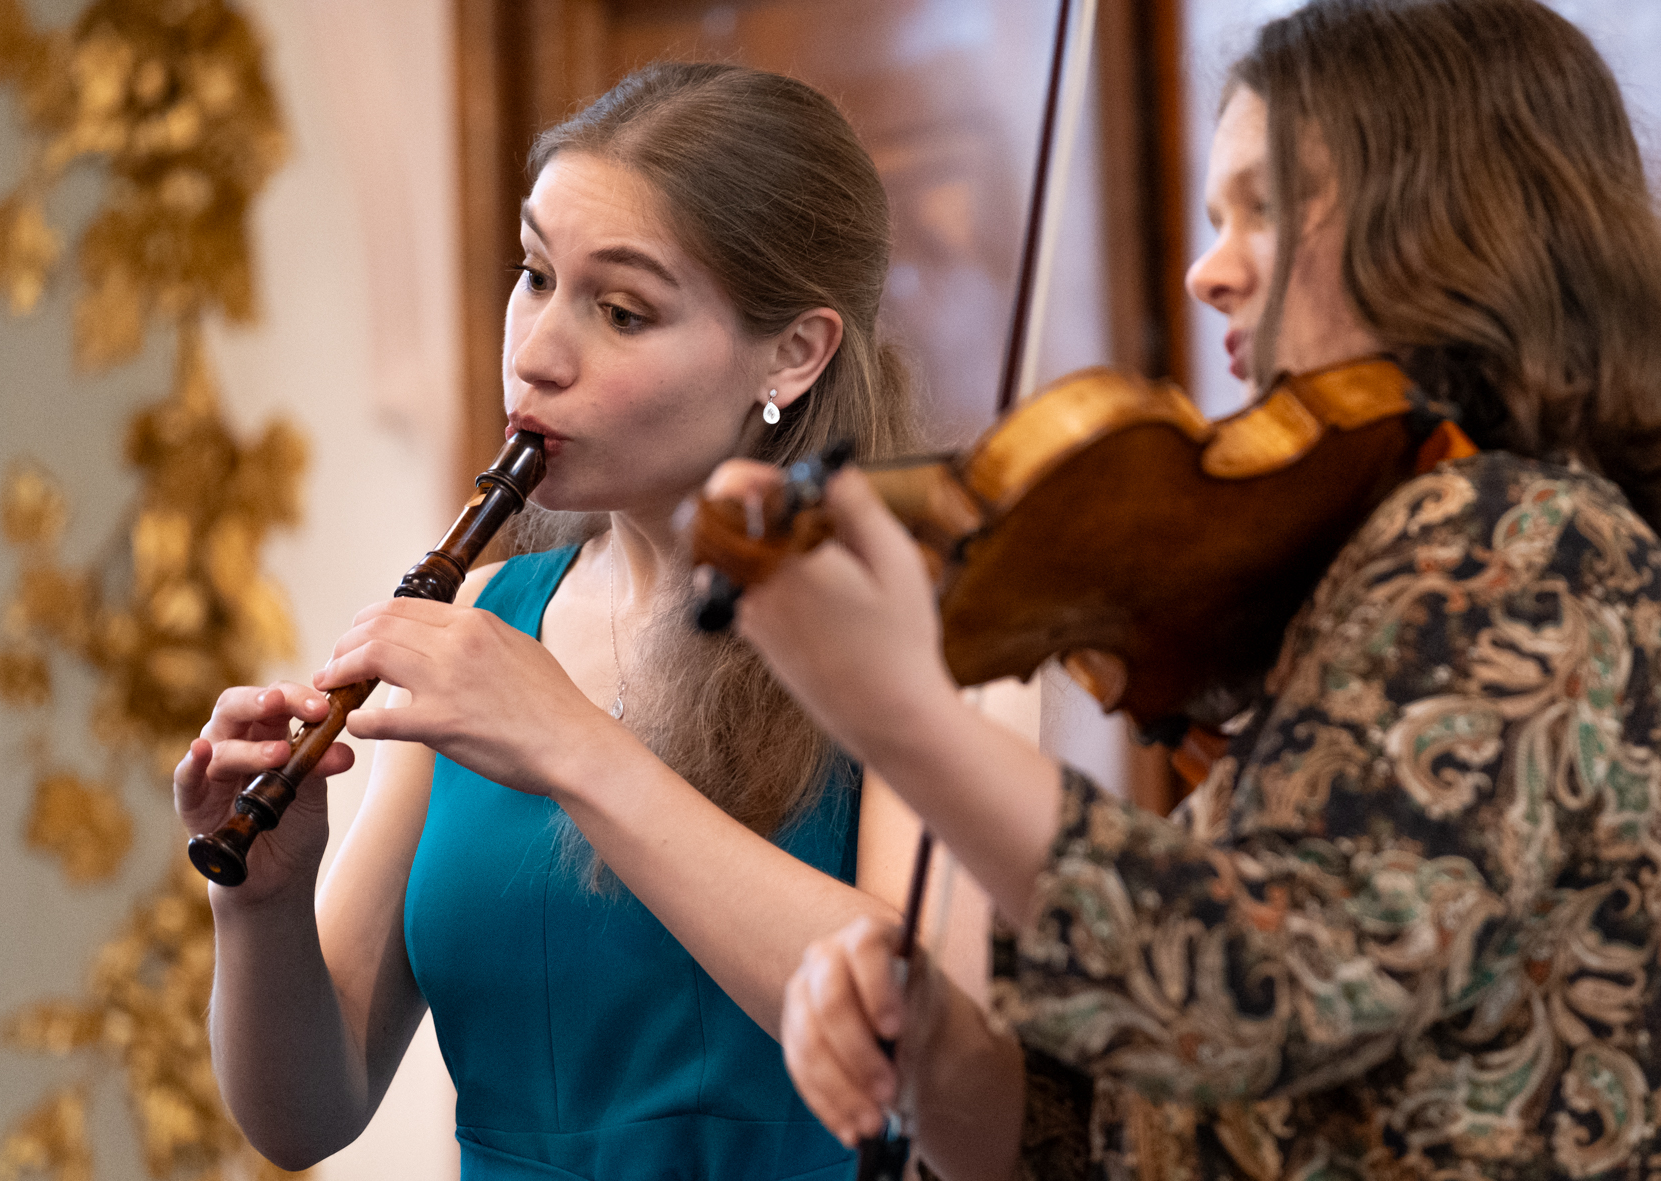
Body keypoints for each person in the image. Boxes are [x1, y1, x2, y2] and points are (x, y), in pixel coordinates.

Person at [709, 2, 1661, 1179]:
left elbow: (1272, 987)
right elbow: (1133, 1129)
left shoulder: (1527, 542)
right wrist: (938, 1049)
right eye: (1214, 216)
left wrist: (902, 717)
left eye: (1264, 207)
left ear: (1451, 215)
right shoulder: (1361, 579)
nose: (1210, 270)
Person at [172, 63, 927, 1180]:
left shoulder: (921, 627)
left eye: (619, 310)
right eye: (533, 274)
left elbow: (916, 1048)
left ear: (791, 353)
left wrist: (573, 747)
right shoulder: (484, 617)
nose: (534, 351)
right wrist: (262, 903)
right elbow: (301, 1114)